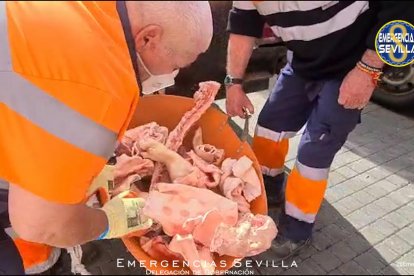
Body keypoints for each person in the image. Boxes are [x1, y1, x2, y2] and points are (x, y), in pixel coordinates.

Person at [0, 1, 213, 274]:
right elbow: (43, 225)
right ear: (148, 37)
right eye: (175, 64)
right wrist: (109, 221)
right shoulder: (100, 91)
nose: (173, 75)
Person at [224, 1, 414, 261]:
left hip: (353, 65)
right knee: (269, 125)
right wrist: (233, 83)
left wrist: (368, 70)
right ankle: (267, 192)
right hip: (302, 63)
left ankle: (297, 229)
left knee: (314, 153)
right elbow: (243, 28)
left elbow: (402, 9)